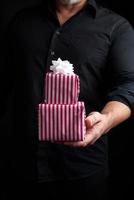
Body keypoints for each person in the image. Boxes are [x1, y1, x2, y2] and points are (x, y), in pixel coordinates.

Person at [1, 0, 134, 199]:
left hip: (82, 170)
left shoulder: (116, 27)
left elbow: (129, 86)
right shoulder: (22, 22)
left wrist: (105, 120)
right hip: (21, 164)